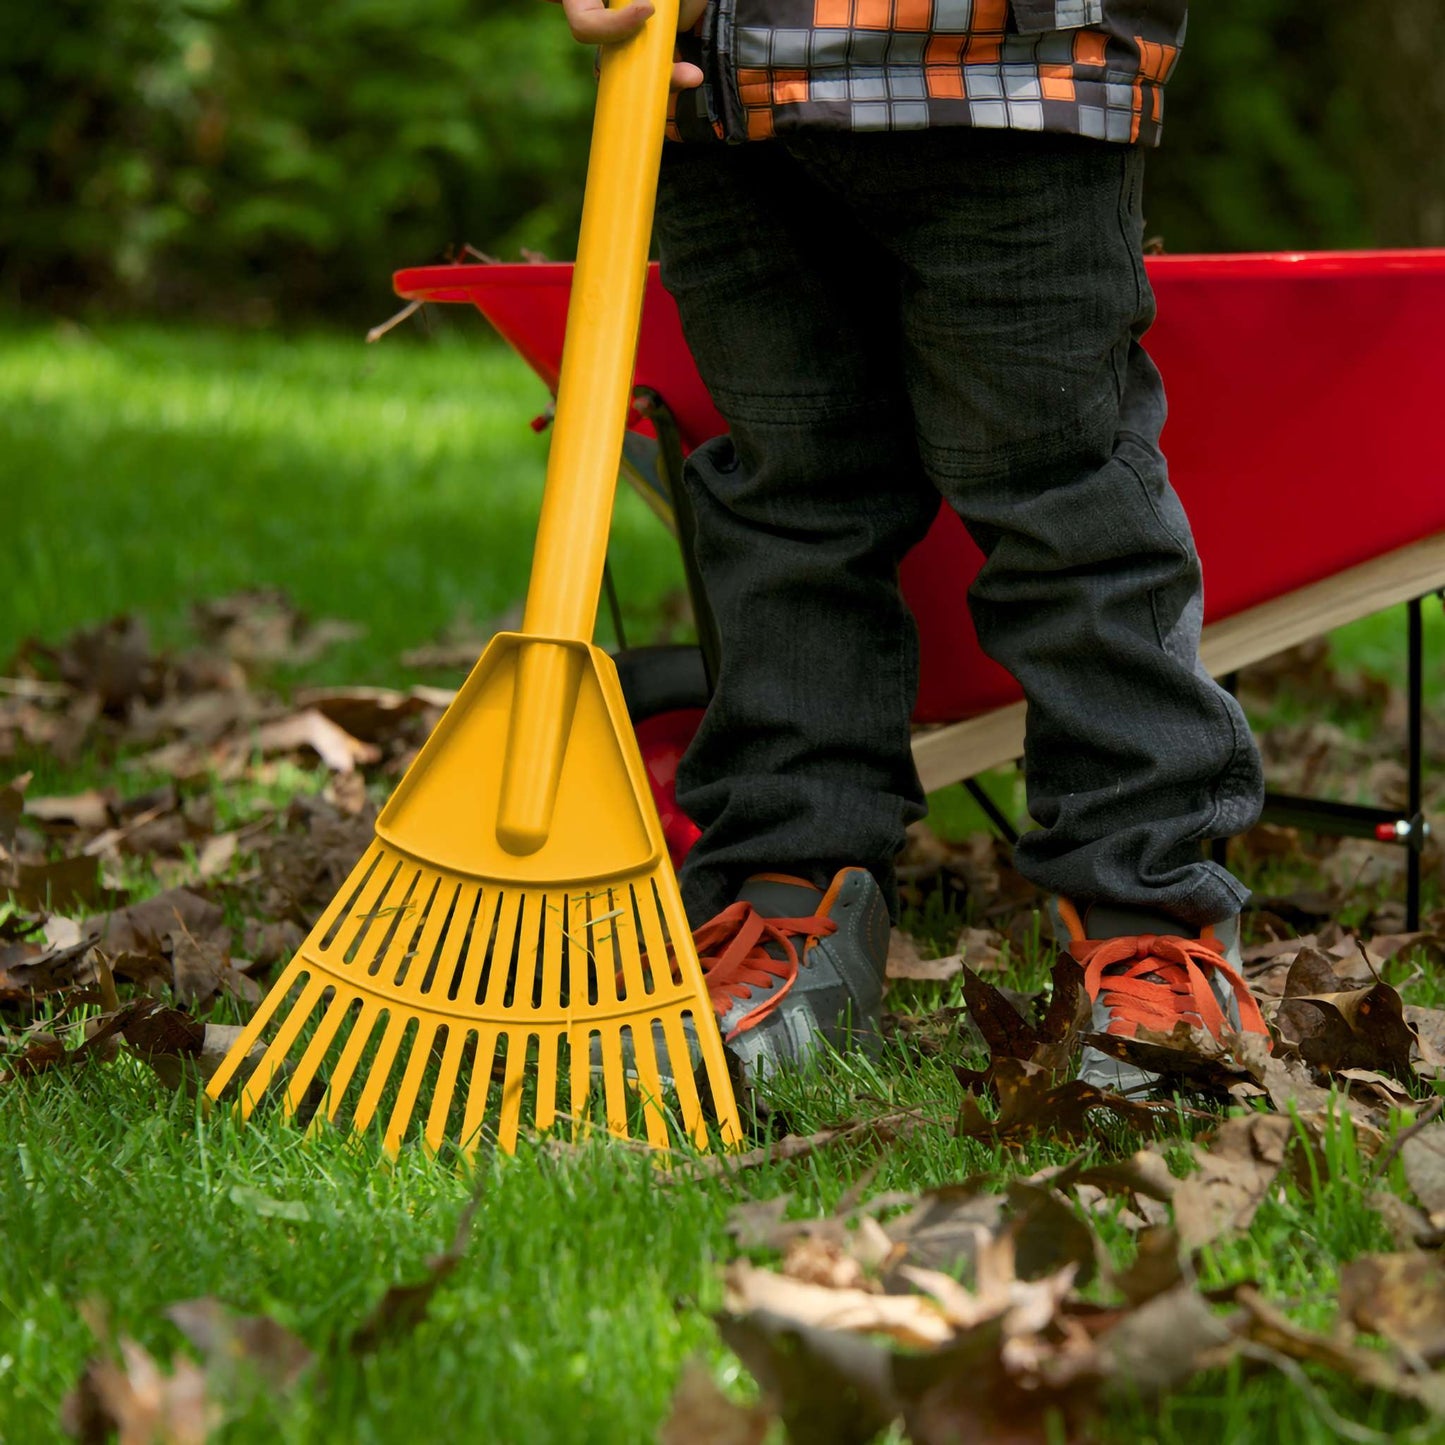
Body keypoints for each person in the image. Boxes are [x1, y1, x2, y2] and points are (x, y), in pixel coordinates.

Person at [547, 0, 1270, 1096]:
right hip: (720, 96)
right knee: (788, 505)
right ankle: (787, 907)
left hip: (1008, 74)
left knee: (1063, 502)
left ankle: (1144, 918)